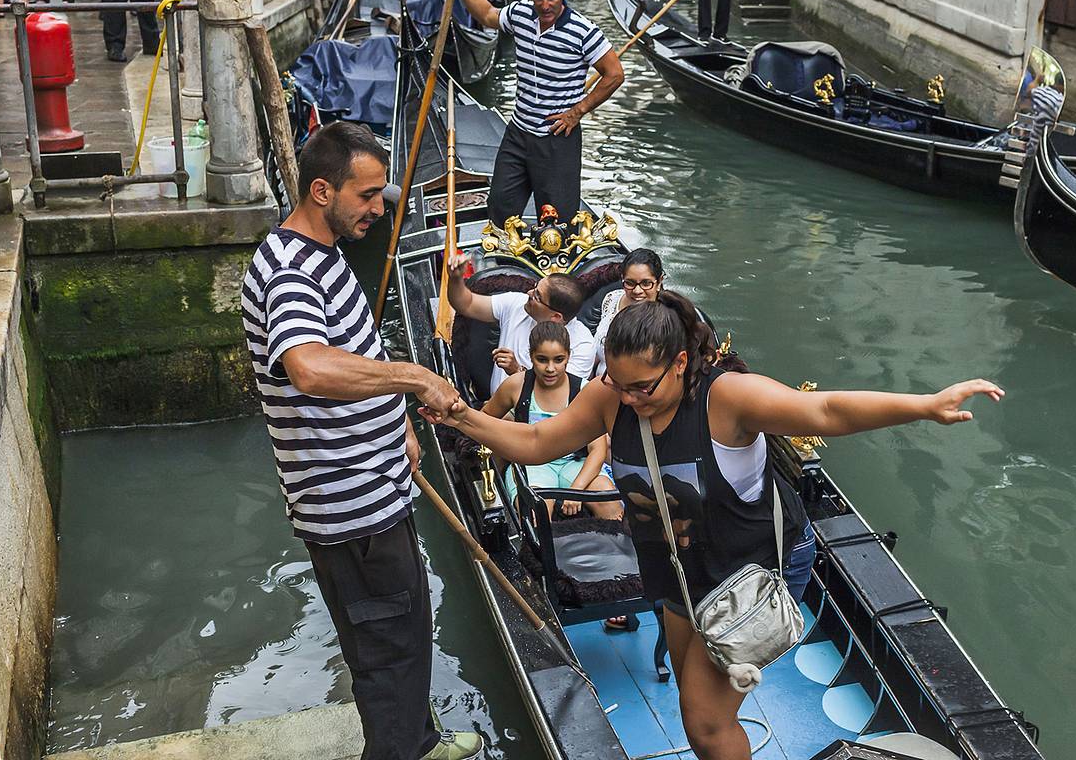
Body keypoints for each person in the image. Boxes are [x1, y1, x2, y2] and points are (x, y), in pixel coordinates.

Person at [422, 290, 1005, 760]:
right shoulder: (611, 397)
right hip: (678, 569)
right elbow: (535, 441)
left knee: (703, 722)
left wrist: (925, 405)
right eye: (618, 386)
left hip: (749, 569)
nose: (629, 399)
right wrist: (461, 416)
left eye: (642, 388)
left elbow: (825, 410)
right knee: (695, 696)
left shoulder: (727, 397)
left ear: (678, 363)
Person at [241, 122, 483, 760]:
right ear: (322, 190)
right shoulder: (291, 270)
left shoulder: (322, 252)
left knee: (402, 628)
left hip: (372, 486)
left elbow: (350, 352)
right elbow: (309, 366)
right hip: (351, 509)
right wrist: (412, 377)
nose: (381, 208)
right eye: (369, 195)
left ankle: (418, 740)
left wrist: (396, 421)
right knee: (388, 647)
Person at [443, 0, 624, 225]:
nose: (545, 5)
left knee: (559, 222)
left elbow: (615, 74)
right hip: (518, 132)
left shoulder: (583, 31)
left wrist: (577, 112)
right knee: (500, 208)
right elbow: (487, 14)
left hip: (557, 139)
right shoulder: (521, 14)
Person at [482, 321, 622, 522]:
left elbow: (597, 450)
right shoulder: (515, 385)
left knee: (608, 501)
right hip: (530, 464)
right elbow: (485, 418)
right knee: (536, 510)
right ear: (531, 356)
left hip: (575, 465)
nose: (550, 368)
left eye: (558, 360)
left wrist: (576, 490)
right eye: (542, 360)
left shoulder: (585, 390)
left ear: (568, 357)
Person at [444, 250, 596, 393]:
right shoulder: (517, 303)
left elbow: (559, 396)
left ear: (556, 317)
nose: (529, 293)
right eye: (535, 287)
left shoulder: (582, 344)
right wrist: (456, 278)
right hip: (495, 409)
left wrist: (517, 371)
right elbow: (467, 304)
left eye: (537, 296)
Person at [593, 248, 664, 379]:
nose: (637, 290)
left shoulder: (666, 317)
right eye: (630, 283)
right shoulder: (612, 299)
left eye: (646, 283)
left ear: (659, 282)